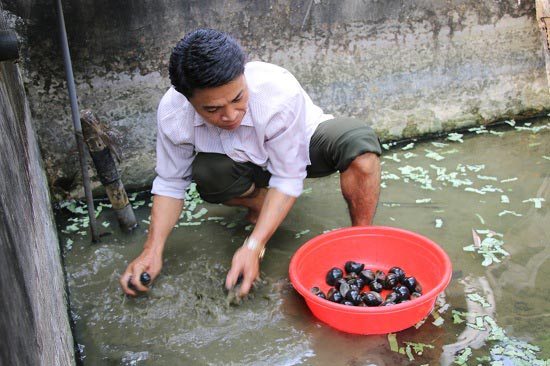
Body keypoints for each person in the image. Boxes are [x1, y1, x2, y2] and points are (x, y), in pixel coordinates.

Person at [120, 28, 382, 297]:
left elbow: (288, 176)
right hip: (242, 164)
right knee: (208, 172)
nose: (231, 115)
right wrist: (152, 250)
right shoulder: (173, 114)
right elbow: (170, 183)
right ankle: (263, 205)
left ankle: (359, 240)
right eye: (212, 109)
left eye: (238, 98)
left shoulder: (276, 90)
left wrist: (253, 246)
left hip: (299, 150)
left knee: (359, 146)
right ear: (188, 100)